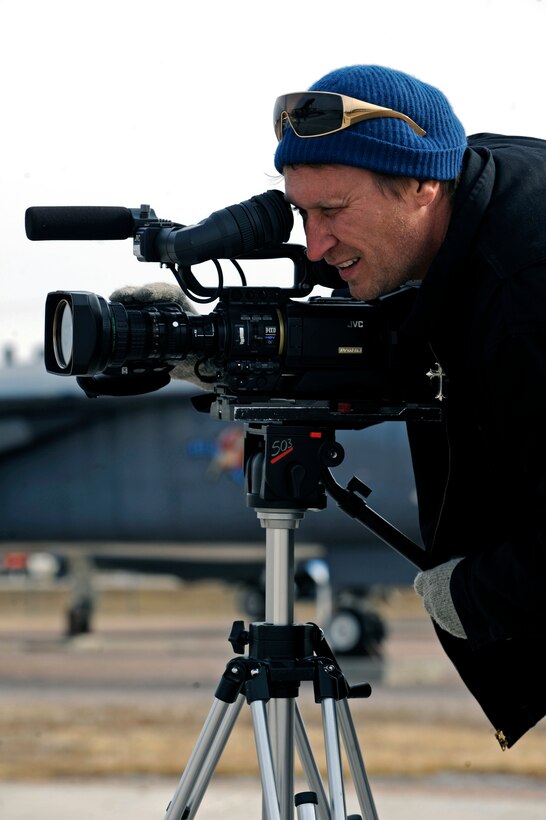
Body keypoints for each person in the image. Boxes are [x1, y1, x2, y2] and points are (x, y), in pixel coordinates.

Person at [272, 64, 546, 751]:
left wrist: (475, 595)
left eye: (333, 213)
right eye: (303, 212)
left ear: (422, 185)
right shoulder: (473, 183)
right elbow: (419, 326)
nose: (314, 245)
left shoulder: (526, 293)